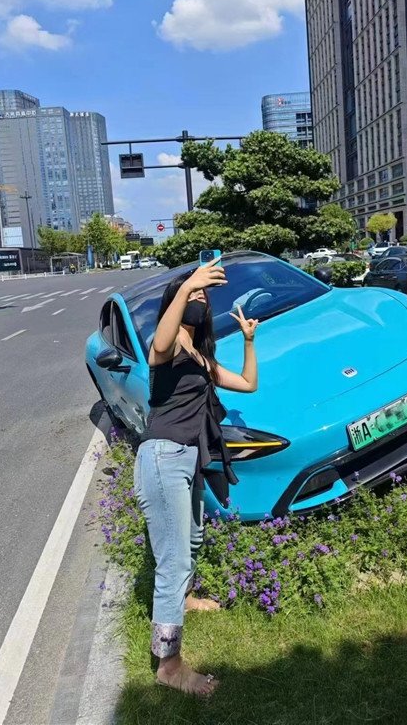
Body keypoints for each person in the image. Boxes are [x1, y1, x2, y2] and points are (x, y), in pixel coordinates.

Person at [134, 258, 259, 696]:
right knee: (174, 561)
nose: (200, 302)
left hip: (187, 459)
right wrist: (188, 283)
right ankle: (168, 665)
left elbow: (248, 383)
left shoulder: (202, 359)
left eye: (204, 298)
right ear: (178, 300)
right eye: (193, 296)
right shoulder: (163, 347)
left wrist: (248, 341)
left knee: (189, 543)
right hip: (163, 456)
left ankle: (182, 601)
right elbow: (163, 340)